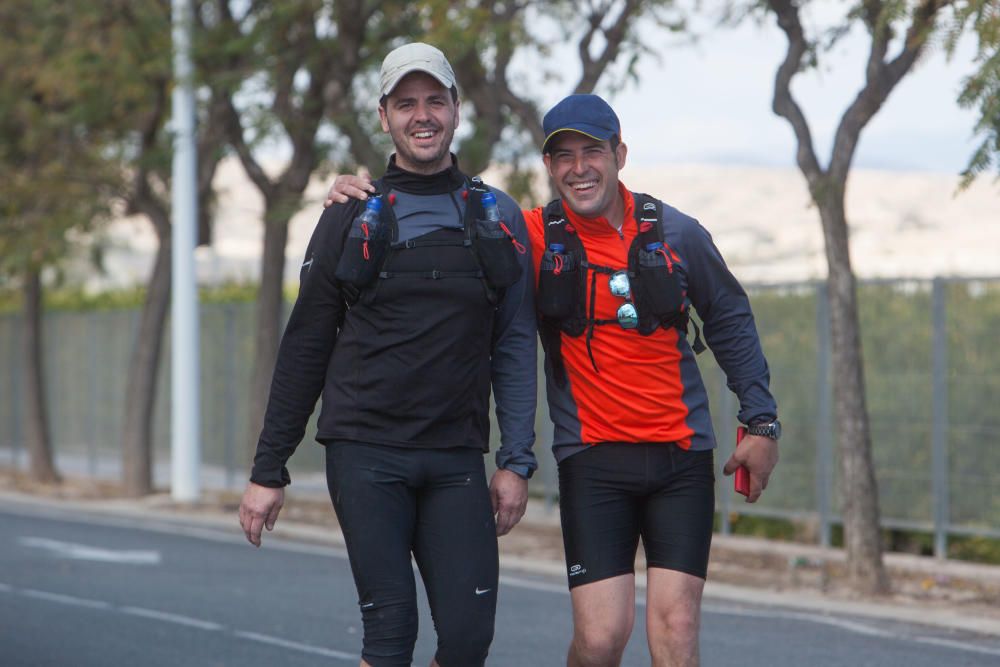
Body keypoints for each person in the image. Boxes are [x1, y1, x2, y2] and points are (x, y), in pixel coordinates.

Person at [326, 93, 780, 667]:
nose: (579, 167)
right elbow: (448, 216)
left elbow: (731, 319)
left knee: (677, 627)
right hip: (592, 461)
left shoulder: (677, 233)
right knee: (600, 639)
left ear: (620, 154)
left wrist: (760, 421)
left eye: (592, 151)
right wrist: (356, 195)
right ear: (548, 166)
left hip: (682, 457)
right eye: (562, 155)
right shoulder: (530, 235)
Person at [239, 42, 538, 667]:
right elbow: (306, 346)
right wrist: (269, 470)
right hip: (366, 454)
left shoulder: (495, 214)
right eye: (406, 104)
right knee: (391, 633)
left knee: (466, 641)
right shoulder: (350, 214)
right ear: (384, 117)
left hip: (455, 456)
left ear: (457, 110)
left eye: (435, 101)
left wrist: (516, 460)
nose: (421, 115)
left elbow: (513, 342)